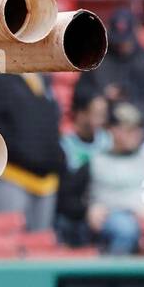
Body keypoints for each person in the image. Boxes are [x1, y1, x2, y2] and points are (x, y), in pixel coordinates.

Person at [58, 102, 144, 254]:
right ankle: (117, 276)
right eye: (128, 129)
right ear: (113, 130)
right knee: (125, 229)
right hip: (112, 215)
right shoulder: (97, 162)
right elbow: (66, 198)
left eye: (137, 129)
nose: (134, 134)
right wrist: (87, 211)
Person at [0, 72, 66, 231]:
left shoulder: (41, 77)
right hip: (9, 176)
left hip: (46, 180)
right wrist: (28, 154)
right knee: (7, 245)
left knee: (40, 248)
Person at [72, 8, 144, 134]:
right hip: (104, 131)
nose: (122, 45)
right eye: (119, 40)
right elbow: (79, 97)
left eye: (126, 40)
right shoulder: (97, 58)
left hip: (139, 131)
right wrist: (102, 95)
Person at [56, 93, 110, 245]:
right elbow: (63, 193)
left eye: (103, 115)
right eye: (96, 114)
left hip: (106, 207)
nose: (101, 120)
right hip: (75, 213)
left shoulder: (109, 142)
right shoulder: (64, 146)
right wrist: (85, 211)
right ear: (80, 115)